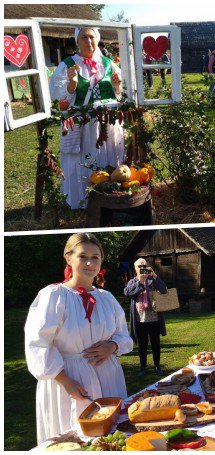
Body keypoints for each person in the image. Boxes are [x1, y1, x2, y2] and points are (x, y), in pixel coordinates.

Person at [24, 233, 133, 444]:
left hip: (108, 375)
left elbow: (123, 335)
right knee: (72, 440)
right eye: (83, 256)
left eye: (96, 257)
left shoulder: (106, 298)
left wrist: (112, 346)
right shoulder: (53, 296)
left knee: (111, 437)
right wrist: (65, 381)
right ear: (69, 258)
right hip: (69, 380)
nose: (90, 263)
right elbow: (38, 344)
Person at [48, 27, 125, 209]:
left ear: (97, 39)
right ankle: (83, 201)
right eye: (84, 37)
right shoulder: (67, 65)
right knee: (82, 159)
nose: (89, 41)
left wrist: (118, 87)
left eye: (92, 37)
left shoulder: (108, 63)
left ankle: (110, 197)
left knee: (109, 156)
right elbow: (58, 98)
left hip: (107, 123)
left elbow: (122, 95)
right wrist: (72, 85)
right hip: (82, 125)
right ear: (77, 40)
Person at [124, 258, 168, 377]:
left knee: (155, 344)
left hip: (154, 319)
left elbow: (164, 290)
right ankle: (143, 367)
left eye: (144, 265)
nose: (142, 267)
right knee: (142, 345)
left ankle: (157, 366)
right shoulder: (133, 281)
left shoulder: (152, 280)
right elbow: (128, 293)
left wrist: (154, 275)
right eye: (139, 266)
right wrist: (140, 281)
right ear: (135, 269)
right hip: (140, 320)